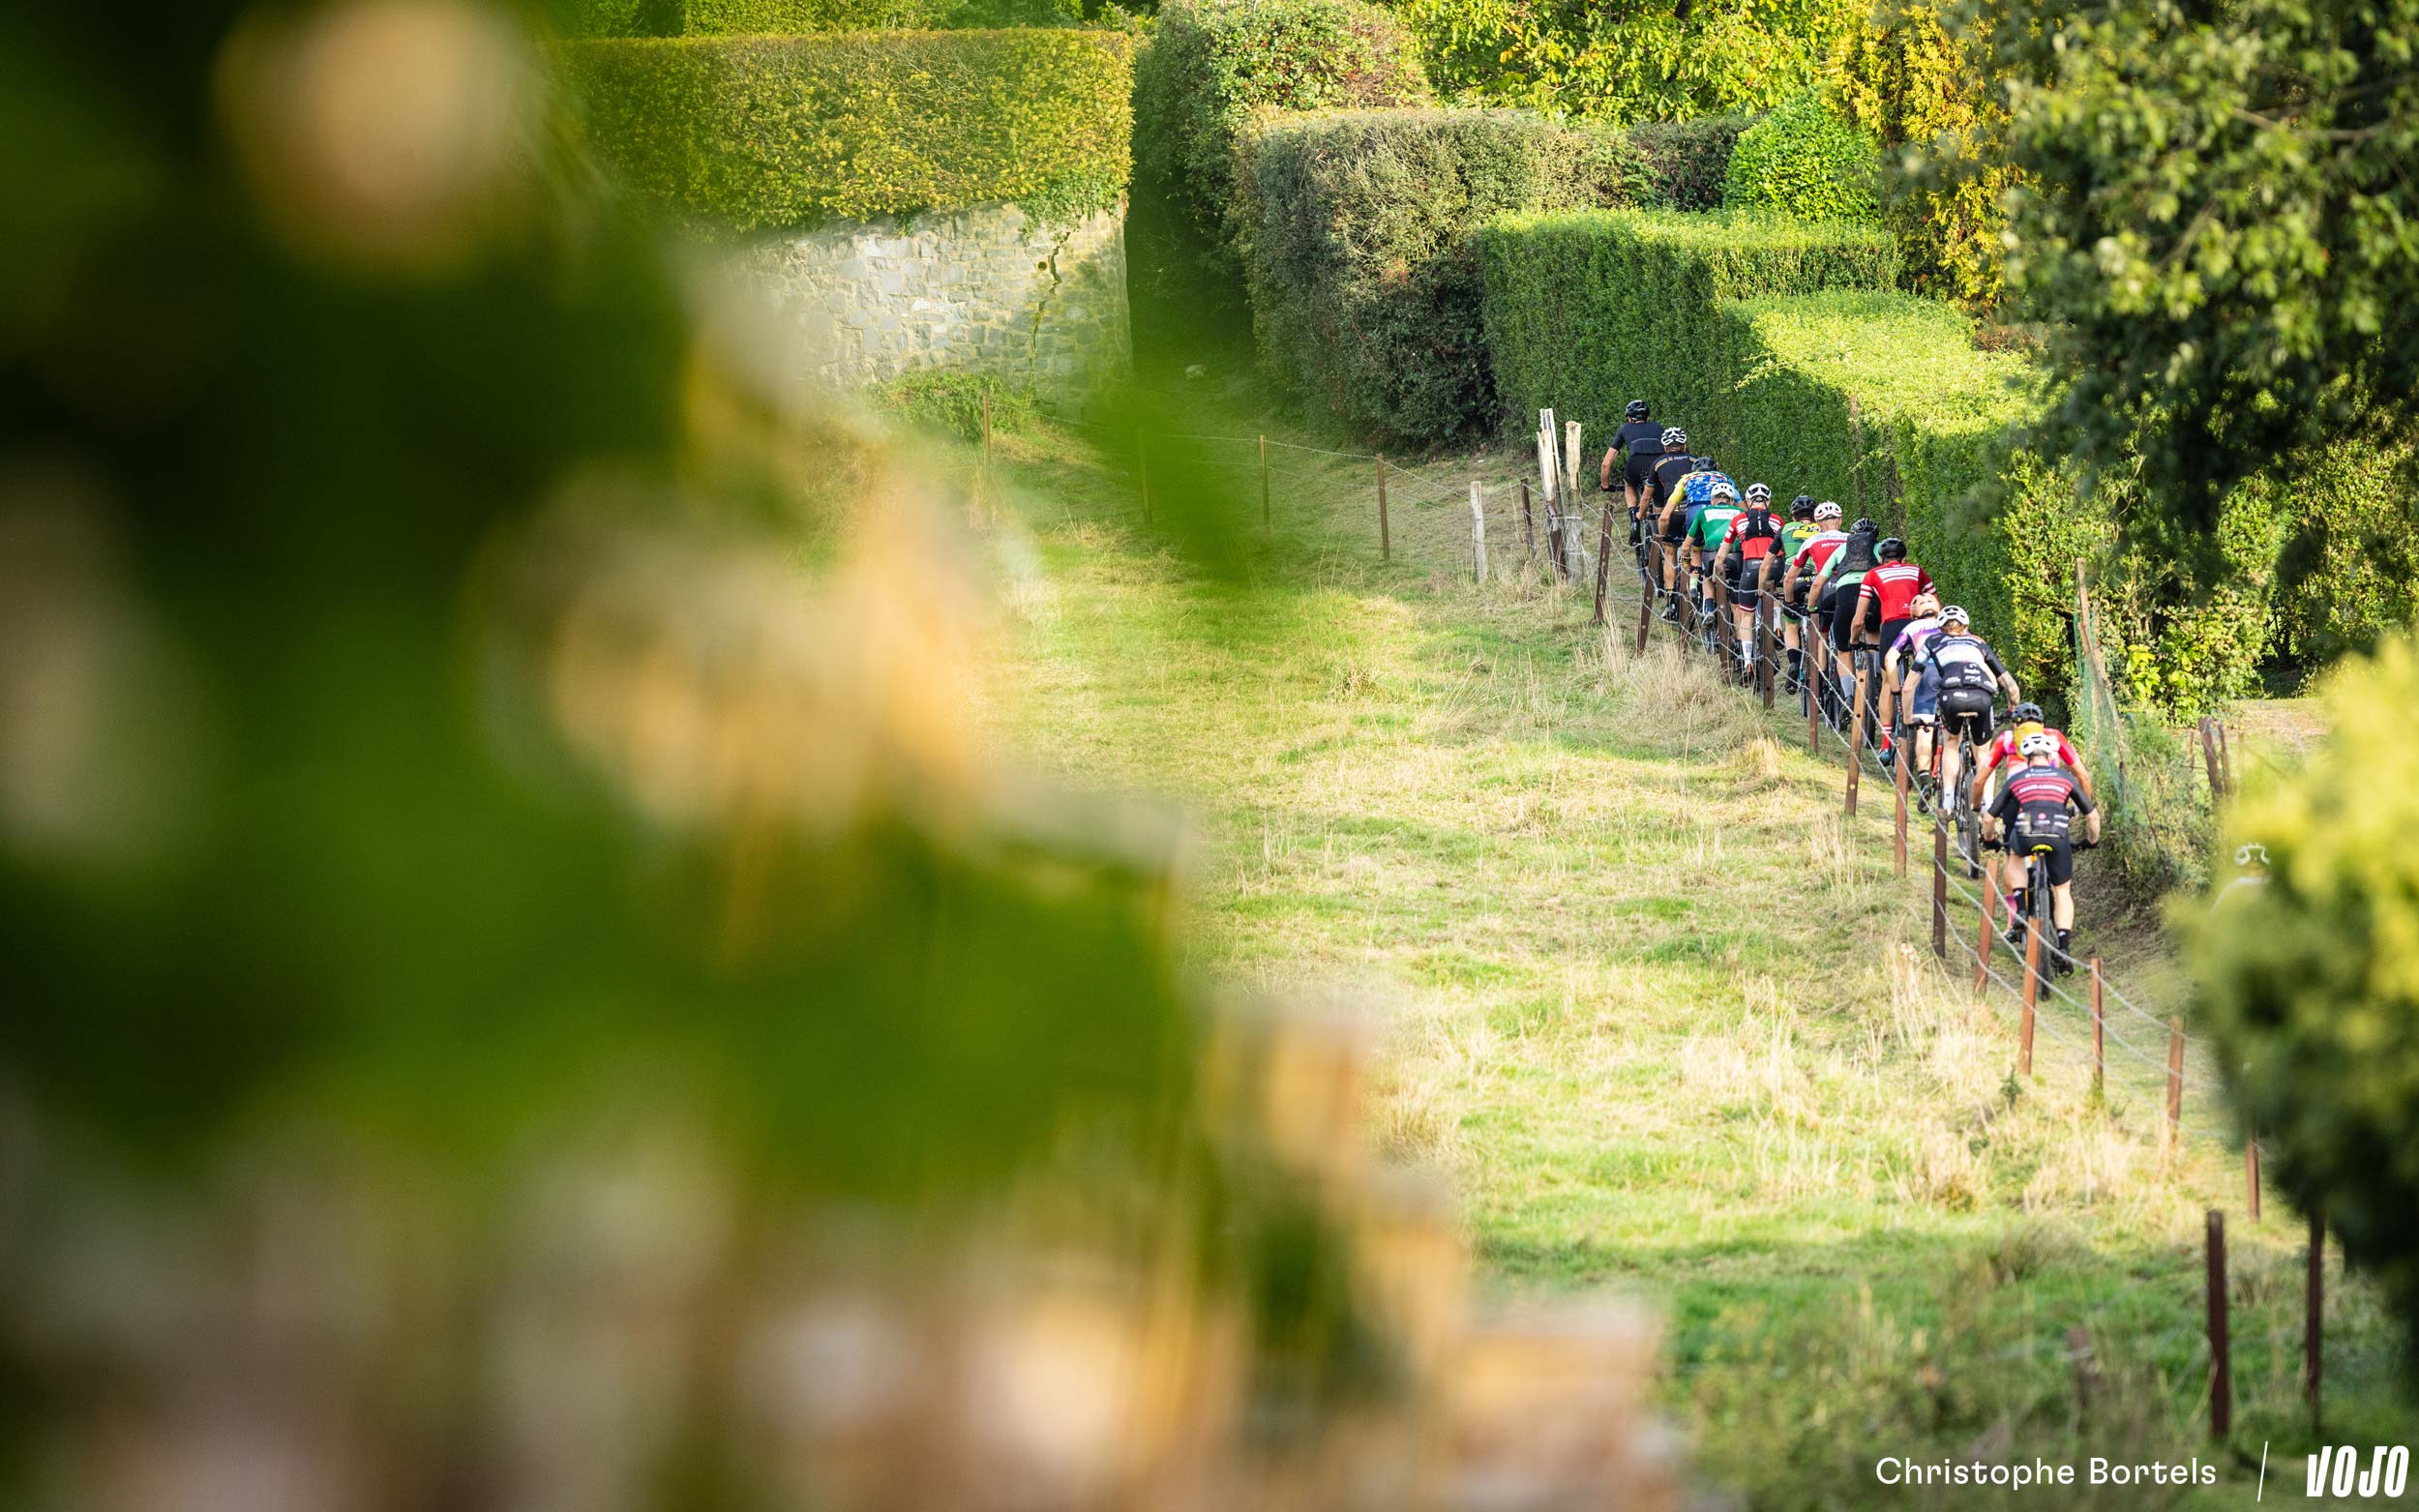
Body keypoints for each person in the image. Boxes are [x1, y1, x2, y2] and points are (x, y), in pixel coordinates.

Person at [1984, 732, 2101, 965]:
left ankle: (2022, 910)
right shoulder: (2065, 778)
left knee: (2015, 857)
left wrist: (1990, 840)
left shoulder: (2017, 779)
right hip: (2058, 834)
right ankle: (2064, 948)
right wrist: (2091, 841)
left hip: (2027, 832)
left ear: (2026, 757)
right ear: (2050, 755)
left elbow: (1989, 819)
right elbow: (2093, 817)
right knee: (2062, 892)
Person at [1919, 605, 2020, 803]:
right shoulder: (1979, 644)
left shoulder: (1934, 642)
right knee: (1983, 753)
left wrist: (1911, 717)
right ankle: (1987, 805)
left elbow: (1912, 683)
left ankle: (1948, 800)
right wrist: (2012, 710)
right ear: (1966, 627)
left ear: (1941, 630)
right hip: (1982, 697)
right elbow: (2011, 687)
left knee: (1951, 743)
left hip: (1951, 696)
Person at [1807, 518, 1880, 725]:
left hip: (1845, 598)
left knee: (1844, 651)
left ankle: (1849, 697)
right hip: (1872, 596)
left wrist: (1811, 607)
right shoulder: (1880, 548)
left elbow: (1819, 582)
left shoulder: (1842, 550)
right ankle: (1877, 680)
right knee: (1874, 637)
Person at [1712, 483, 1785, 667]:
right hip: (1775, 565)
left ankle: (1747, 662)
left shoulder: (1738, 520)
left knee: (1747, 615)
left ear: (1747, 501)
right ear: (1768, 501)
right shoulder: (1778, 520)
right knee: (1773, 589)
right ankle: (1776, 624)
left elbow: (1722, 553)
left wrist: (1715, 574)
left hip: (1751, 567)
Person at [1777, 501, 1845, 693]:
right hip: (1847, 590)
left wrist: (1789, 602)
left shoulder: (1812, 541)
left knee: (1821, 636)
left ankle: (1821, 683)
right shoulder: (1851, 539)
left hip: (1823, 589)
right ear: (1840, 521)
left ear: (1818, 523)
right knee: (1846, 638)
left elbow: (1790, 577)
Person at [1882, 592, 1945, 783]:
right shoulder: (1952, 624)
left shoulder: (1912, 627)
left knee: (1923, 725)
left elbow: (1890, 658)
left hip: (1927, 673)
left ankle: (1925, 777)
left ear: (1914, 613)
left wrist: (1895, 688)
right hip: (1956, 672)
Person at [1644, 433, 1699, 615]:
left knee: (1669, 552)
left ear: (1665, 447)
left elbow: (1647, 494)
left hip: (1673, 511)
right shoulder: (1696, 460)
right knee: (1694, 550)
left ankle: (1671, 601)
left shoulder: (1658, 463)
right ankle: (1695, 592)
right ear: (1684, 445)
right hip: (1694, 511)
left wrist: (1640, 513)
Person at [1856, 539, 1935, 666]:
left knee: (1887, 676)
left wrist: (1854, 640)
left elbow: (1859, 619)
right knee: (1924, 667)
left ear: (1881, 560)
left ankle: (1891, 685)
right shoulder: (1917, 570)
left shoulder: (1872, 574)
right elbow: (1935, 603)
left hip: (1892, 623)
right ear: (1904, 559)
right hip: (1918, 623)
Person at [1686, 479, 1746, 637]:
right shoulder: (1740, 513)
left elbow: (1687, 545)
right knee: (1736, 593)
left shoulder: (1703, 512)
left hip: (1711, 552)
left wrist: (1685, 559)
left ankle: (1710, 609)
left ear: (1712, 500)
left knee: (1707, 579)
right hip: (1735, 553)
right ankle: (1741, 643)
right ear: (1732, 501)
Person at [1598, 399, 1663, 519]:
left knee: (1629, 485)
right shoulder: (1658, 427)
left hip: (1635, 464)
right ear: (1647, 417)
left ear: (1629, 418)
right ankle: (1659, 528)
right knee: (1658, 490)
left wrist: (1605, 485)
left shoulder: (1625, 428)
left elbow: (1606, 463)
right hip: (1657, 464)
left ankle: (1634, 520)